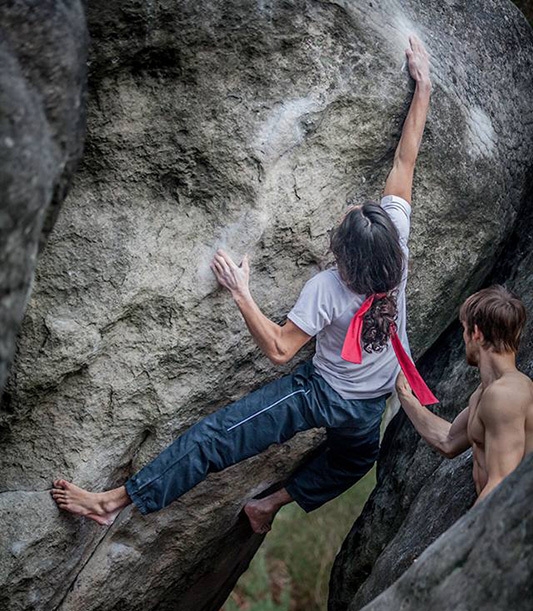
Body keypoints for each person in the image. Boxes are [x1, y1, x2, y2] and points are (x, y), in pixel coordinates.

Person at [51, 34, 435, 534]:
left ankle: (117, 502)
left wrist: (240, 293)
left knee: (219, 436)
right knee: (356, 460)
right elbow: (404, 161)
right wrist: (422, 86)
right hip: (371, 403)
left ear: (347, 260)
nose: (352, 207)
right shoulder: (396, 244)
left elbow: (279, 349)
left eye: (347, 219)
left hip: (323, 394)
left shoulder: (328, 288)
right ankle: (252, 505)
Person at [395, 285, 533, 505]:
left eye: (464, 328)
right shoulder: (485, 392)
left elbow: (502, 485)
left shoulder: (506, 396)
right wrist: (405, 395)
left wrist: (461, 539)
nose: (464, 337)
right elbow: (448, 440)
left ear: (476, 332)